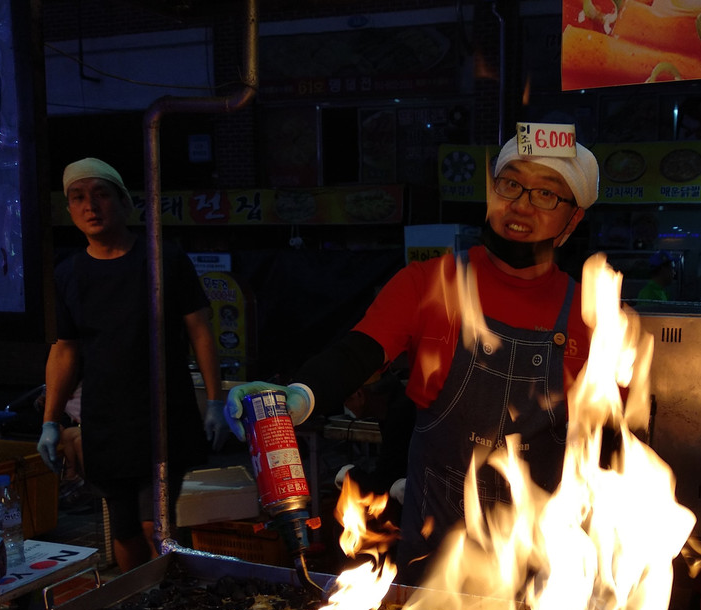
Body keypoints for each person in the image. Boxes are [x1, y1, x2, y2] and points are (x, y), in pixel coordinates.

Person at [226, 131, 599, 585]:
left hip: (539, 558)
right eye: (510, 184)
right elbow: (359, 351)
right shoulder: (428, 283)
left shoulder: (592, 316)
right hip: (434, 550)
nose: (521, 205)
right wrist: (298, 397)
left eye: (545, 193)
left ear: (573, 219)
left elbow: (609, 441)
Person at [37, 158, 231, 571]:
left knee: (154, 526)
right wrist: (51, 422)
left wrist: (215, 400)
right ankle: (141, 609)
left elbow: (199, 329)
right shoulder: (69, 274)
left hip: (163, 414)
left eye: (101, 194)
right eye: (78, 197)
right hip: (106, 420)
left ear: (124, 202)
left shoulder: (164, 259)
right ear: (69, 210)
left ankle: (171, 600)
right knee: (123, 529)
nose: (91, 205)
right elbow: (65, 349)